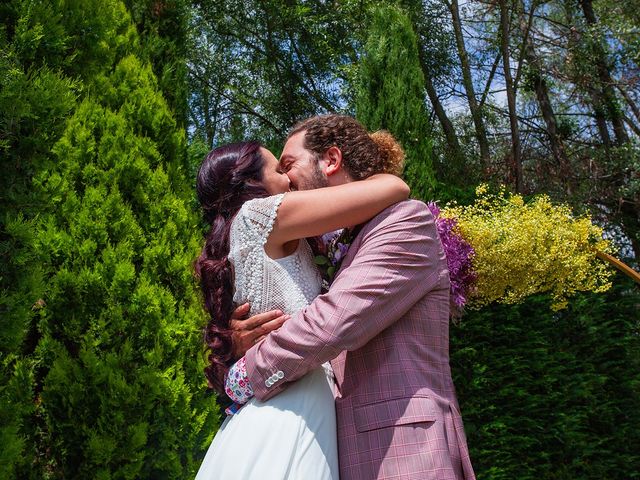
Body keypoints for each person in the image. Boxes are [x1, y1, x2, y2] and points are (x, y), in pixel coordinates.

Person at [226, 114, 476, 479]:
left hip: (405, 455)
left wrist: (246, 371)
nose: (285, 181)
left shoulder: (406, 221)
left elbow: (334, 321)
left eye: (290, 164)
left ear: (330, 160)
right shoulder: (339, 246)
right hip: (338, 445)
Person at [194, 139, 410, 479]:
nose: (288, 179)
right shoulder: (258, 216)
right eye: (279, 171)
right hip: (291, 410)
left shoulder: (249, 234)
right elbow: (393, 187)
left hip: (289, 399)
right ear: (253, 186)